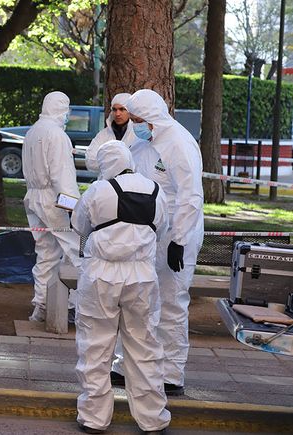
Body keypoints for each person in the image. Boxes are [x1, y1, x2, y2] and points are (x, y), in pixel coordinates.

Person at [72, 140, 170, 434]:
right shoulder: (156, 191)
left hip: (101, 275)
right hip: (141, 276)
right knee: (145, 345)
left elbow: (79, 225)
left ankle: (94, 417)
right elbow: (162, 230)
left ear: (105, 164)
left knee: (95, 346)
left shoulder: (98, 190)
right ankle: (152, 419)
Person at [111, 89, 204, 396]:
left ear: (152, 118)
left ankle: (171, 373)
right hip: (146, 232)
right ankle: (127, 365)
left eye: (138, 119)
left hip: (177, 232)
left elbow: (191, 196)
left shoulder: (178, 143)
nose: (134, 124)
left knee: (171, 300)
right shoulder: (142, 142)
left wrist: (179, 239)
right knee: (137, 299)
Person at [22, 91, 81, 322]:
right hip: (53, 199)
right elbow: (61, 176)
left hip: (33, 196)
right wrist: (74, 207)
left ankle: (42, 305)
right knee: (75, 249)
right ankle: (74, 306)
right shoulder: (57, 135)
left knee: (45, 253)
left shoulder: (33, 131)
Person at [84, 93, 136, 173]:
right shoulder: (104, 134)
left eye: (122, 109)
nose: (117, 114)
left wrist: (107, 160)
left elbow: (141, 162)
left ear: (130, 111)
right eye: (114, 109)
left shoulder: (137, 134)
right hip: (107, 180)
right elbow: (90, 160)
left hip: (132, 180)